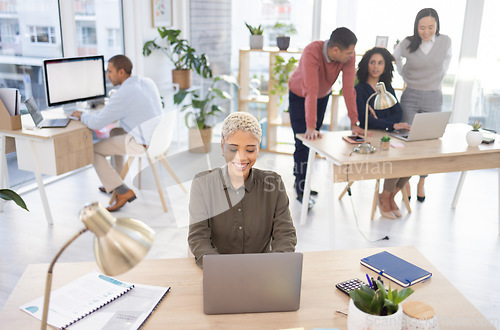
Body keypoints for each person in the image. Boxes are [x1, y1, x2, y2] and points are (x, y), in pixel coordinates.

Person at [188, 112, 297, 267]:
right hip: (218, 272)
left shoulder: (274, 184)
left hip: (262, 272)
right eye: (233, 149)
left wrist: (273, 266)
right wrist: (220, 268)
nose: (241, 157)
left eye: (250, 150)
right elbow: (198, 238)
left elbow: (285, 235)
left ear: (258, 149)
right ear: (222, 147)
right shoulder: (203, 184)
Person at [71, 55, 163, 212]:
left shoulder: (123, 94)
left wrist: (81, 115)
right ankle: (115, 181)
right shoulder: (147, 82)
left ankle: (123, 191)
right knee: (115, 131)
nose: (107, 75)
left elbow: (96, 123)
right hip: (158, 138)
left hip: (141, 142)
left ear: (121, 72)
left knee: (92, 151)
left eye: (109, 71)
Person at [288, 27, 363, 206]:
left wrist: (354, 122)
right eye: (348, 52)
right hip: (300, 96)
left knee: (312, 143)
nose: (351, 56)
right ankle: (301, 188)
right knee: (303, 141)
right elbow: (310, 91)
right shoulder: (311, 52)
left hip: (321, 97)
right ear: (335, 50)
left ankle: (301, 181)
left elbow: (347, 89)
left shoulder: (347, 56)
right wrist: (311, 126)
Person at [393, 8, 452, 202]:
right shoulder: (408, 42)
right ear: (416, 27)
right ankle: (405, 181)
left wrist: (439, 78)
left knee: (428, 143)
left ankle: (422, 181)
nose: (426, 31)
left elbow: (447, 60)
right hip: (410, 94)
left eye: (430, 27)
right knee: (407, 140)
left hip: (434, 95)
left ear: (437, 26)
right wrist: (404, 75)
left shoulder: (445, 41)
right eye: (422, 27)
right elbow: (395, 58)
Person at [355, 47, 411, 219]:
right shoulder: (360, 90)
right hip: (371, 137)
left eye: (380, 63)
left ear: (385, 66)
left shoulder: (386, 88)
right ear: (366, 65)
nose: (376, 67)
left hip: (389, 134)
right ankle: (387, 198)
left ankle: (388, 196)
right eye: (372, 62)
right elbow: (367, 121)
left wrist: (387, 123)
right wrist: (391, 124)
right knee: (395, 160)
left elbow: (397, 113)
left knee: (411, 160)